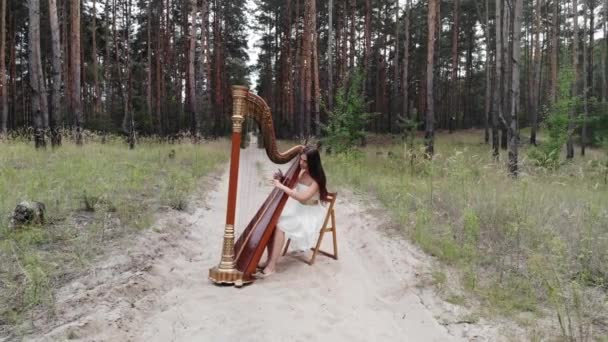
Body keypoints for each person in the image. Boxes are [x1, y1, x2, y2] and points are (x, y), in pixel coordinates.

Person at [256, 146, 329, 278]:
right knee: (272, 222)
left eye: (305, 161)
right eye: (301, 160)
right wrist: (282, 178)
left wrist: (281, 186)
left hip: (309, 214)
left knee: (280, 226)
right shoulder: (302, 172)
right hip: (298, 210)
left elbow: (302, 197)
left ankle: (272, 266)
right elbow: (292, 186)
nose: (301, 163)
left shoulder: (317, 180)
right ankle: (269, 260)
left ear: (313, 162)